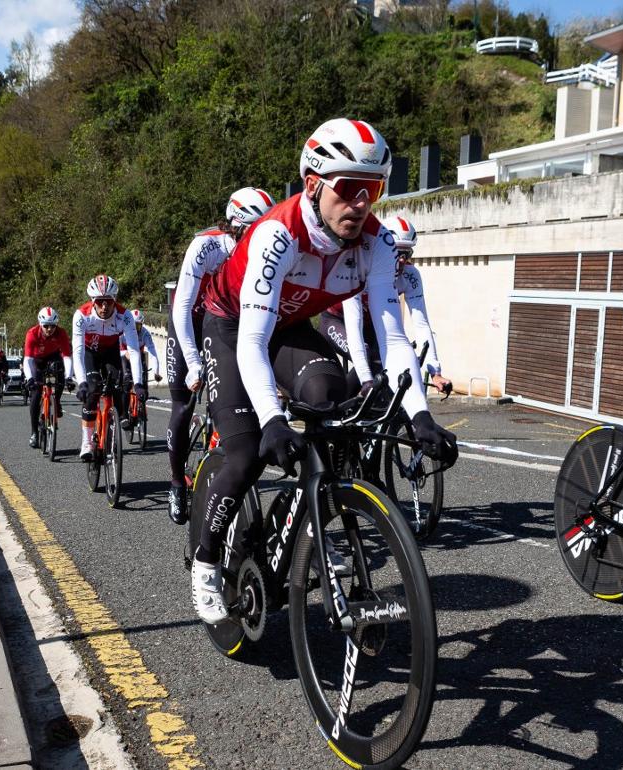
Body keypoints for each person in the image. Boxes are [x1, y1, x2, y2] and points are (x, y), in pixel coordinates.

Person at [189, 118, 458, 623]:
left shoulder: (376, 244)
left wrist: (419, 417)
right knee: (246, 453)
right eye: (349, 189)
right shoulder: (277, 235)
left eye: (372, 190)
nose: (360, 204)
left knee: (331, 393)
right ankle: (206, 560)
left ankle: (308, 517)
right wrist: (271, 419)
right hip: (230, 327)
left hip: (288, 328)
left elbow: (393, 333)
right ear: (313, 184)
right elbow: (251, 339)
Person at [165, 186, 275, 524]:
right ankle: (175, 483)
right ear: (237, 225)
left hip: (227, 323)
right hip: (191, 322)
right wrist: (194, 363)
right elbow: (182, 308)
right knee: (183, 405)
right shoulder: (207, 247)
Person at [319, 215, 452, 396]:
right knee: (367, 356)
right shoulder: (361, 271)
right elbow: (354, 326)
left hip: (370, 326)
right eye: (398, 253)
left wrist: (435, 372)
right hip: (336, 321)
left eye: (407, 253)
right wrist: (366, 379)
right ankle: (337, 405)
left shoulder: (410, 276)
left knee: (392, 360)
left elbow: (422, 325)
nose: (403, 260)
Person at [72, 275, 145, 461]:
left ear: (115, 301)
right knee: (93, 389)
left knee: (118, 385)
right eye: (100, 302)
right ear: (93, 301)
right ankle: (87, 442)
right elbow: (78, 351)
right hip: (90, 353)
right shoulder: (82, 316)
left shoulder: (125, 316)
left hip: (111, 351)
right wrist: (81, 383)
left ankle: (114, 421)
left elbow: (134, 350)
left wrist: (138, 383)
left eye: (109, 302)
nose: (105, 307)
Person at [24, 306, 75, 448]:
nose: (49, 329)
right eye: (46, 326)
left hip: (53, 357)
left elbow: (67, 357)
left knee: (60, 370)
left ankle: (56, 400)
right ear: (40, 325)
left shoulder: (61, 333)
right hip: (36, 360)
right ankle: (34, 433)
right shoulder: (32, 334)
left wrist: (69, 377)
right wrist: (29, 379)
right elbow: (27, 359)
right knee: (35, 394)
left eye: (52, 326)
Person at [121, 309, 162, 429]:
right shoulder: (122, 333)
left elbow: (153, 352)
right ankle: (124, 414)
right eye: (133, 325)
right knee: (127, 381)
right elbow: (114, 349)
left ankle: (141, 407)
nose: (135, 329)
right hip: (125, 356)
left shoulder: (145, 333)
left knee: (143, 384)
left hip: (139, 355)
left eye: (138, 325)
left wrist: (156, 371)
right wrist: (124, 353)